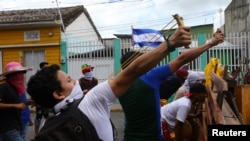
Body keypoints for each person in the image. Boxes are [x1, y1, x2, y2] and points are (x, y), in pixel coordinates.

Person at [26, 26, 192, 141]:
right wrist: (169, 44)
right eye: (69, 80)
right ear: (58, 94)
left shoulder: (48, 129)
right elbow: (133, 71)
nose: (75, 81)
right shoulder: (92, 100)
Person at [118, 29, 224, 141]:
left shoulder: (117, 84)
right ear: (137, 64)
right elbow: (182, 59)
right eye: (143, 60)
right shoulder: (151, 77)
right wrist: (211, 43)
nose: (148, 62)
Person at [0, 61, 33, 141]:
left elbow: (19, 104)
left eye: (22, 74)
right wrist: (15, 105)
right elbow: (15, 105)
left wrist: (29, 102)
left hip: (17, 125)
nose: (22, 77)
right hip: (8, 128)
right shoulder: (4, 87)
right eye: (19, 74)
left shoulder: (16, 89)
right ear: (11, 76)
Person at [30, 62, 50, 141]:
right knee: (38, 118)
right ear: (41, 68)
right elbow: (34, 90)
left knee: (48, 118)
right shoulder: (37, 78)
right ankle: (36, 134)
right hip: (40, 102)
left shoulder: (50, 77)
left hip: (48, 102)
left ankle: (47, 133)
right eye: (46, 67)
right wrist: (35, 101)